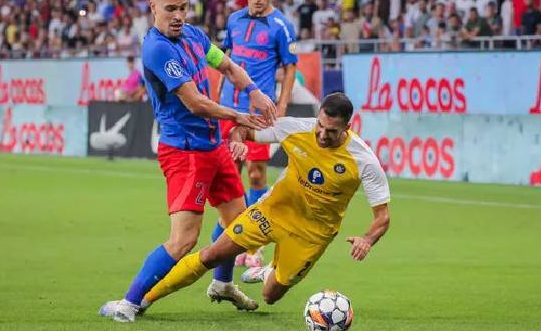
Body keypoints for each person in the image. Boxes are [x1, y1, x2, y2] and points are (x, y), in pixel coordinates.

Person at [100, 0, 277, 323]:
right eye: (170, 8)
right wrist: (240, 116)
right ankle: (130, 302)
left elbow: (226, 65)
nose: (178, 15)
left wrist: (254, 90)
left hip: (213, 146)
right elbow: (195, 102)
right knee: (184, 241)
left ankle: (223, 284)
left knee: (238, 225)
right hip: (185, 152)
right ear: (153, 7)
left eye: (183, 7)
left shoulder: (195, 35)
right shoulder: (156, 48)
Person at [137, 93, 391, 313]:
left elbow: (383, 217)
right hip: (273, 212)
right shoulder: (297, 128)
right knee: (213, 254)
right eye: (320, 126)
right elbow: (245, 128)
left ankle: (267, 271)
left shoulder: (363, 160)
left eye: (331, 131)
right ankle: (142, 300)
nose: (322, 135)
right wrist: (237, 139)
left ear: (348, 127)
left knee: (270, 296)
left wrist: (367, 239)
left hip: (313, 234)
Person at [218, 0, 298, 268]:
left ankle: (254, 246)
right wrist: (215, 99)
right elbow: (225, 62)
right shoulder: (234, 20)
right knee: (229, 176)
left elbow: (290, 66)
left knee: (255, 174)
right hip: (228, 107)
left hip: (258, 112)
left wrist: (282, 104)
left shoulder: (281, 25)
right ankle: (234, 239)